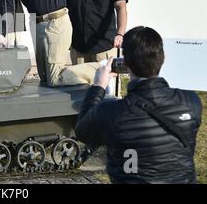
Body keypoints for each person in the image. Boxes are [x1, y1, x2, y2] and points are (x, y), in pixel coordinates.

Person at [75, 26, 202, 184]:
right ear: (163, 58)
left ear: (125, 63)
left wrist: (98, 86)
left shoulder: (111, 113)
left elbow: (83, 131)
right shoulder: (191, 102)